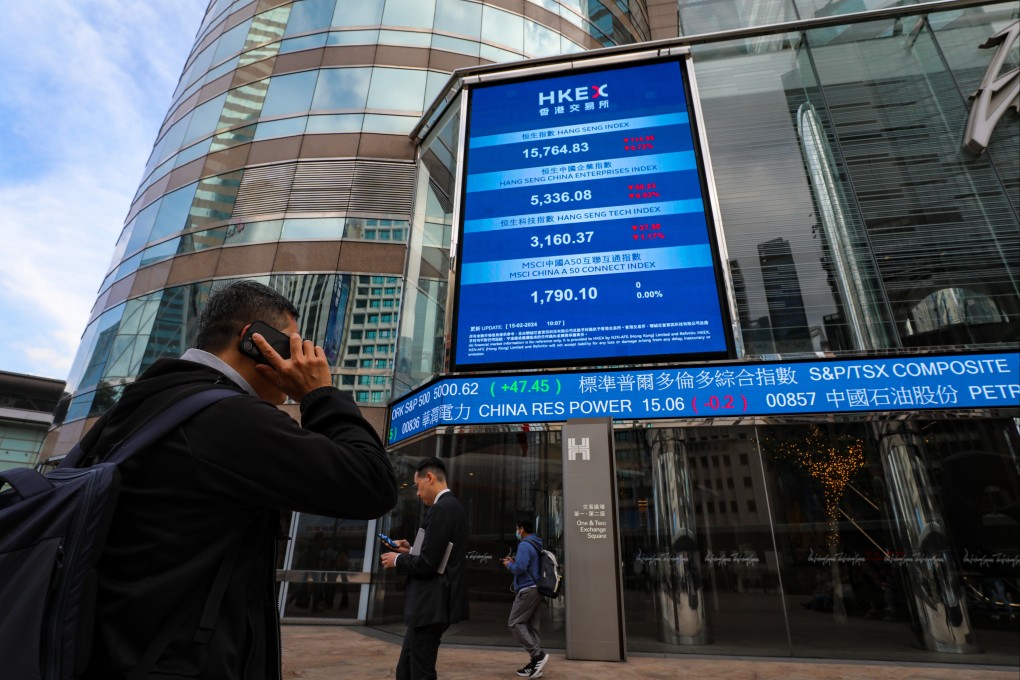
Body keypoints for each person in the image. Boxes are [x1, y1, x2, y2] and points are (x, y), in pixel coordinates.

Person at [80, 280, 398, 680]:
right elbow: (372, 484)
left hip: (108, 653)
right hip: (177, 664)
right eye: (292, 344)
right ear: (253, 340)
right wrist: (320, 393)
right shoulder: (226, 419)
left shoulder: (138, 406)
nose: (298, 356)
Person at [380, 457, 469, 680]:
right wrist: (409, 550)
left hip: (431, 604)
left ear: (429, 478)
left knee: (420, 671)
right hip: (431, 606)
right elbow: (435, 556)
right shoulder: (451, 507)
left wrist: (396, 560)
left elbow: (428, 563)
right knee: (408, 668)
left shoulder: (442, 509)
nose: (418, 494)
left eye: (417, 485)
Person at [502, 519, 550, 679]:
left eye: (517, 529)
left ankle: (538, 655)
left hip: (527, 589)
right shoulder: (536, 544)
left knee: (514, 622)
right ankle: (535, 665)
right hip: (537, 589)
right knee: (531, 626)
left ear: (521, 529)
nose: (517, 532)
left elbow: (520, 568)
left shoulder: (524, 544)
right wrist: (515, 563)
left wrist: (508, 565)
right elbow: (528, 565)